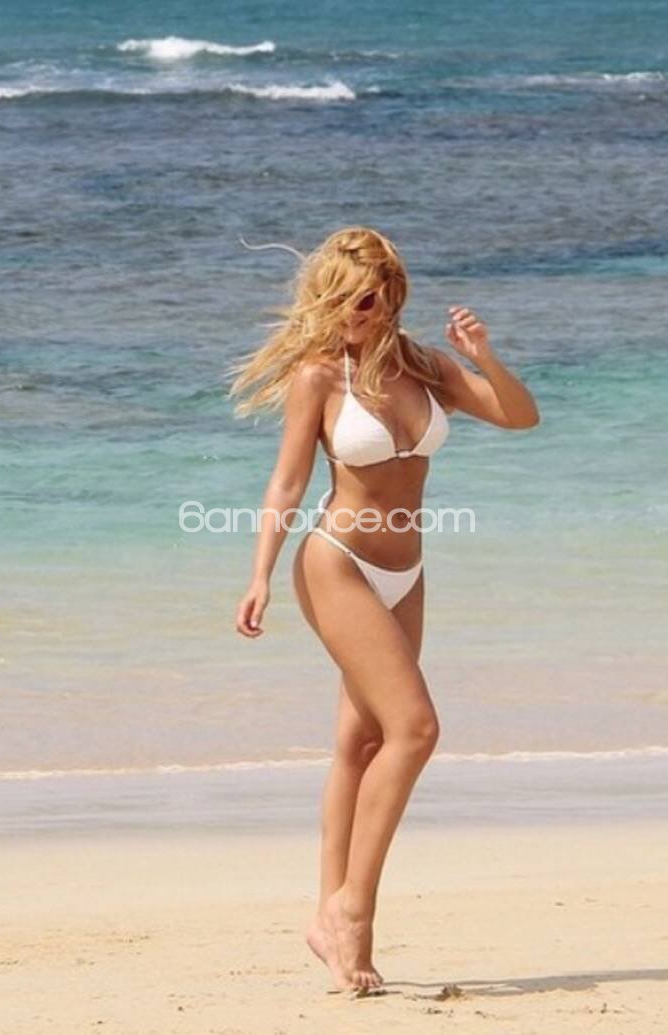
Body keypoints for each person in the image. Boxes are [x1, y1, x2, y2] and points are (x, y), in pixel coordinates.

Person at [228, 226, 539, 993]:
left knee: (362, 740)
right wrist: (259, 574)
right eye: (344, 301)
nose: (356, 313)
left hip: (407, 572)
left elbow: (519, 416)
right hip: (337, 563)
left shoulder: (426, 366)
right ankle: (353, 909)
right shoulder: (317, 377)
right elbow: (288, 483)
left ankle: (329, 929)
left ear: (393, 295)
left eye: (370, 299)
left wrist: (484, 356)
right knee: (416, 728)